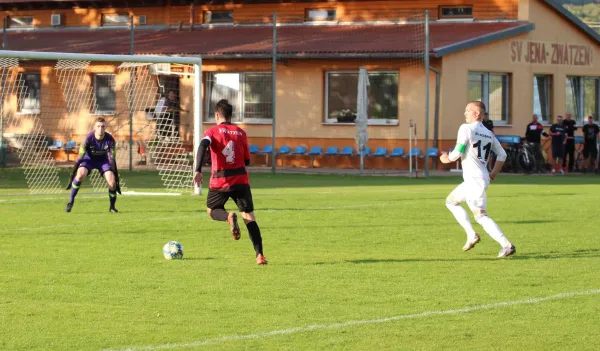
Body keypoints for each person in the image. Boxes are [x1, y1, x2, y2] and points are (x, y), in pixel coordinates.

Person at [193, 99, 267, 265]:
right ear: (230, 115)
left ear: (217, 115)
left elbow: (202, 146)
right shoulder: (241, 133)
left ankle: (228, 217)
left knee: (212, 211)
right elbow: (247, 161)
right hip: (241, 180)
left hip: (220, 181)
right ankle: (259, 255)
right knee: (249, 217)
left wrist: (198, 170)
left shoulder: (212, 132)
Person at [439, 101, 515, 258]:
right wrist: (493, 173)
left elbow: (459, 150)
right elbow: (502, 155)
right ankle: (471, 234)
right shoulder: (489, 133)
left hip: (475, 180)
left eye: (468, 110)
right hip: (478, 178)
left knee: (480, 215)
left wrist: (447, 159)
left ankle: (506, 245)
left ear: (477, 113)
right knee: (451, 202)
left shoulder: (466, 128)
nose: (465, 113)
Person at [65, 117, 121, 213]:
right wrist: (71, 177)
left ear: (106, 127)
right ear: (94, 127)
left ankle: (112, 207)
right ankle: (71, 201)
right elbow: (79, 159)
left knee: (112, 183)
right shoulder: (87, 139)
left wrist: (117, 181)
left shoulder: (110, 140)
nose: (100, 129)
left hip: (103, 161)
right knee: (81, 174)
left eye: (103, 126)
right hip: (89, 159)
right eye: (98, 126)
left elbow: (112, 161)